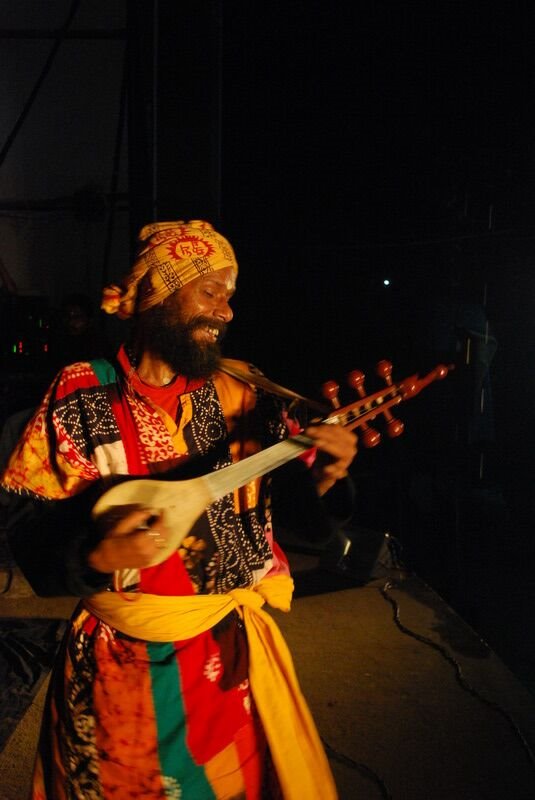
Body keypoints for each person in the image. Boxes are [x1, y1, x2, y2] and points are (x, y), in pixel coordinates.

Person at [1, 220, 357, 800]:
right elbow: (24, 517)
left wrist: (320, 480)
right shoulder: (82, 391)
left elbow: (289, 513)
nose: (226, 311)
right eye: (210, 290)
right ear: (161, 292)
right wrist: (94, 552)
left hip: (226, 657)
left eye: (230, 296)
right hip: (121, 664)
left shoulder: (245, 393)